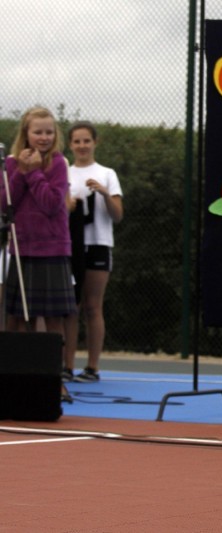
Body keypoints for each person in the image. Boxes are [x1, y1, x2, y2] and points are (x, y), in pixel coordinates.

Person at [0, 106, 76, 337]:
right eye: (38, 132)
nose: (44, 138)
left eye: (49, 132)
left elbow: (52, 204)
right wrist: (21, 172)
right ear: (26, 133)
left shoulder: (58, 163)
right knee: (17, 317)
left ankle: (53, 360)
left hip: (52, 249)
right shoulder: (11, 163)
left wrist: (33, 173)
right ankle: (17, 360)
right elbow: (5, 203)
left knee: (53, 318)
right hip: (23, 248)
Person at [63, 121, 123, 383]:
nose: (82, 146)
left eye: (86, 140)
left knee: (92, 306)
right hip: (69, 246)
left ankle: (92, 368)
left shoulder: (107, 173)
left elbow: (117, 215)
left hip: (98, 244)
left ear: (95, 142)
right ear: (70, 145)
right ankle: (66, 366)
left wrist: (104, 194)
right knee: (70, 307)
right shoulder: (64, 172)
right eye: (77, 141)